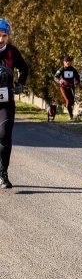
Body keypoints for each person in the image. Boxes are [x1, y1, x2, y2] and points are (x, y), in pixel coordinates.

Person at [0, 18, 29, 189]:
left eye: (4, 36)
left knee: (4, 134)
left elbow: (24, 69)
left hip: (6, 101)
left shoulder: (12, 52)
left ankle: (3, 173)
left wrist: (20, 84)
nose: (1, 39)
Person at [54, 55, 80, 120]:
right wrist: (60, 81)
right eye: (66, 61)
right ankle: (70, 115)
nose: (68, 62)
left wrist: (77, 82)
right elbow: (55, 77)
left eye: (69, 61)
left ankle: (72, 113)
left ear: (71, 62)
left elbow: (78, 77)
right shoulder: (62, 69)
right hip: (64, 87)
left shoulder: (73, 70)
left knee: (72, 101)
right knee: (67, 100)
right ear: (64, 62)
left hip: (71, 87)